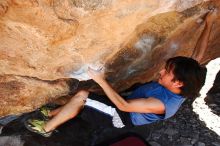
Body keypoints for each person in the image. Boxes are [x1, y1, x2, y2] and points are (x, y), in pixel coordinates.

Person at [24, 9, 216, 137]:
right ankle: (52, 112)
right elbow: (198, 54)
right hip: (128, 103)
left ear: (178, 83)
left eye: (166, 72)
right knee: (90, 98)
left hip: (120, 117)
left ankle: (46, 128)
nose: (161, 71)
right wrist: (209, 23)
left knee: (83, 96)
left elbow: (123, 106)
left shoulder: (162, 104)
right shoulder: (188, 77)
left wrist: (100, 79)